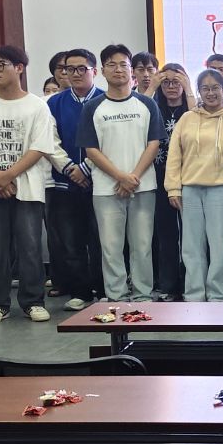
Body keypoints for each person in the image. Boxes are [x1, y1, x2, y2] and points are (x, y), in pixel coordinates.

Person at [0, 45, 60, 325]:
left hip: (27, 187)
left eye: (1, 64)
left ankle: (33, 301)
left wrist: (8, 176)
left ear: (19, 68)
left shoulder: (37, 105)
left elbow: (40, 147)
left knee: (30, 247)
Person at [79, 44, 163, 304]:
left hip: (143, 186)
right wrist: (120, 176)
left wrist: (133, 176)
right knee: (111, 247)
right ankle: (116, 297)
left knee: (142, 246)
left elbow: (154, 143)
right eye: (111, 65)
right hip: (106, 188)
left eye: (123, 64)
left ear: (132, 71)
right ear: (102, 71)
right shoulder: (93, 107)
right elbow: (91, 149)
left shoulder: (147, 104)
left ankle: (143, 296)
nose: (118, 69)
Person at [167, 68, 223, 301]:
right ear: (199, 92)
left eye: (215, 88)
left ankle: (218, 296)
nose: (210, 93)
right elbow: (174, 155)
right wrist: (173, 188)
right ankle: (194, 295)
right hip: (190, 189)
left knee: (219, 247)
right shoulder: (187, 119)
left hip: (221, 190)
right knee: (191, 246)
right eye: (205, 88)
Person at [46, 49, 103, 311]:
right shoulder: (54, 104)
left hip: (100, 180)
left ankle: (103, 290)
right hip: (64, 183)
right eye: (70, 69)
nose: (75, 74)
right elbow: (49, 141)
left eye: (82, 68)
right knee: (71, 242)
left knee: (102, 240)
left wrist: (86, 168)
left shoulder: (106, 100)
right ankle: (81, 292)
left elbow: (108, 141)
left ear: (94, 71)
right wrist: (70, 168)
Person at [151, 63, 191, 299]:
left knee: (191, 235)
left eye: (177, 82)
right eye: (166, 82)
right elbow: (140, 111)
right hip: (158, 177)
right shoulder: (154, 107)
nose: (172, 87)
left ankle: (189, 283)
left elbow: (200, 120)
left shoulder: (192, 109)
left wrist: (189, 88)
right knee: (165, 234)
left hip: (189, 177)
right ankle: (167, 285)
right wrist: (152, 86)